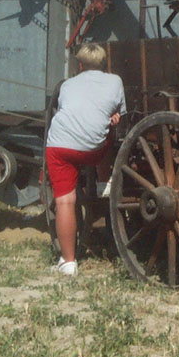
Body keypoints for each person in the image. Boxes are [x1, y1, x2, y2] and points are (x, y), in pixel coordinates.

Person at [45, 43, 126, 276]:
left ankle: (68, 262)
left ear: (79, 65)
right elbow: (120, 115)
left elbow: (67, 111)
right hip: (94, 149)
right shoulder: (115, 81)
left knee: (65, 202)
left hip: (60, 146)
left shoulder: (68, 85)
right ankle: (103, 182)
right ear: (104, 64)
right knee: (110, 130)